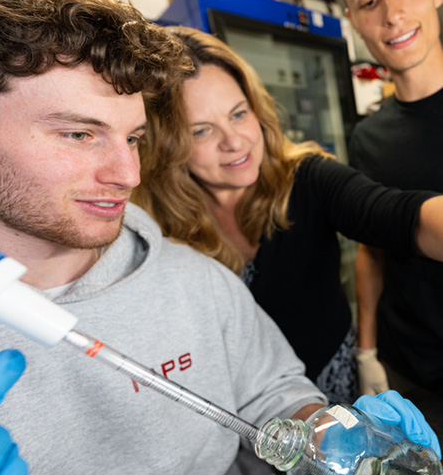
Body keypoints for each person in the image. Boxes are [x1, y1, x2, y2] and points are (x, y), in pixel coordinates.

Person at [0, 0, 439, 475]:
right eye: (79, 133)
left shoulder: (192, 277)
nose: (125, 173)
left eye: (131, 137)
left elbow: (271, 390)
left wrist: (327, 431)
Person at [133, 25, 443, 404]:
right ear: (168, 144)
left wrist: (366, 353)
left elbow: (398, 214)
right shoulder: (158, 225)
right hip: (243, 412)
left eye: (238, 113)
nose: (234, 141)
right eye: (201, 131)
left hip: (335, 390)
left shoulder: (307, 177)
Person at [331, 0, 443, 397]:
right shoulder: (368, 139)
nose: (392, 14)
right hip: (411, 373)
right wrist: (368, 352)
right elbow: (370, 252)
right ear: (354, 19)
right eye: (368, 0)